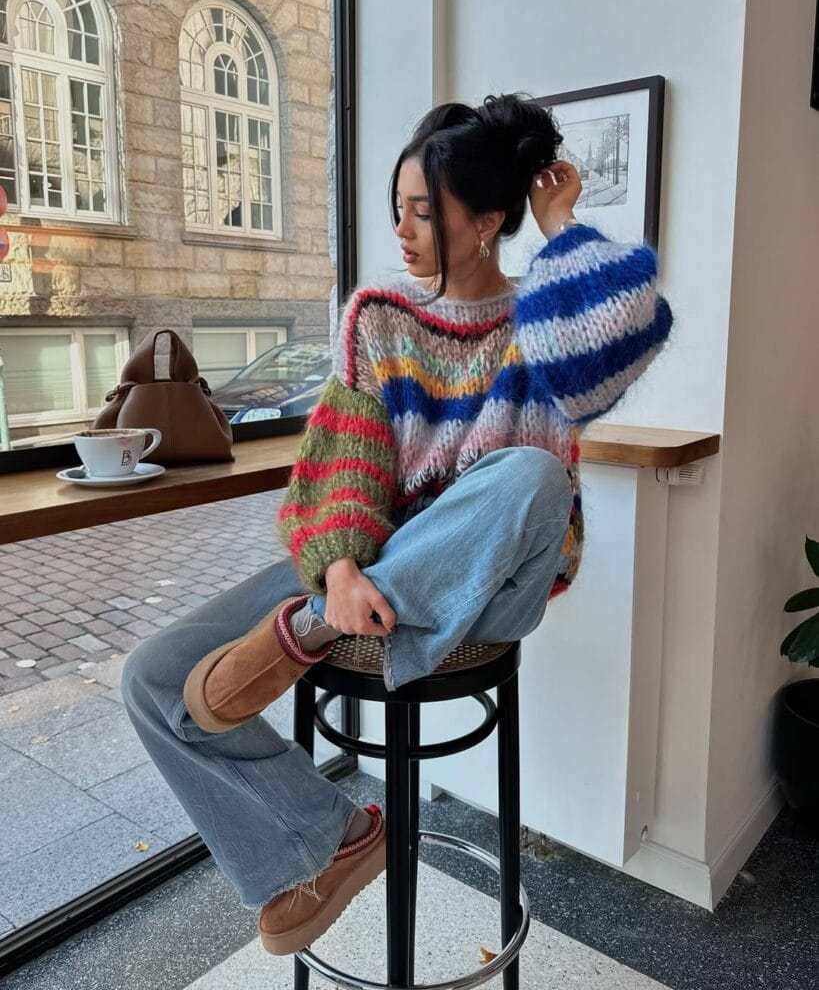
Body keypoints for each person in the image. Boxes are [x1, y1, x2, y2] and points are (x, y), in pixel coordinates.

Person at [121, 92, 674, 956]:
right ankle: (335, 836)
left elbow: (617, 348)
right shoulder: (375, 316)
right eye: (398, 210)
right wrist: (338, 567)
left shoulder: (545, 320)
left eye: (424, 211)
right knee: (152, 678)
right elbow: (344, 459)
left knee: (529, 473)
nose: (404, 230)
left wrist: (562, 226)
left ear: (488, 221)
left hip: (489, 585)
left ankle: (299, 632)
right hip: (370, 564)